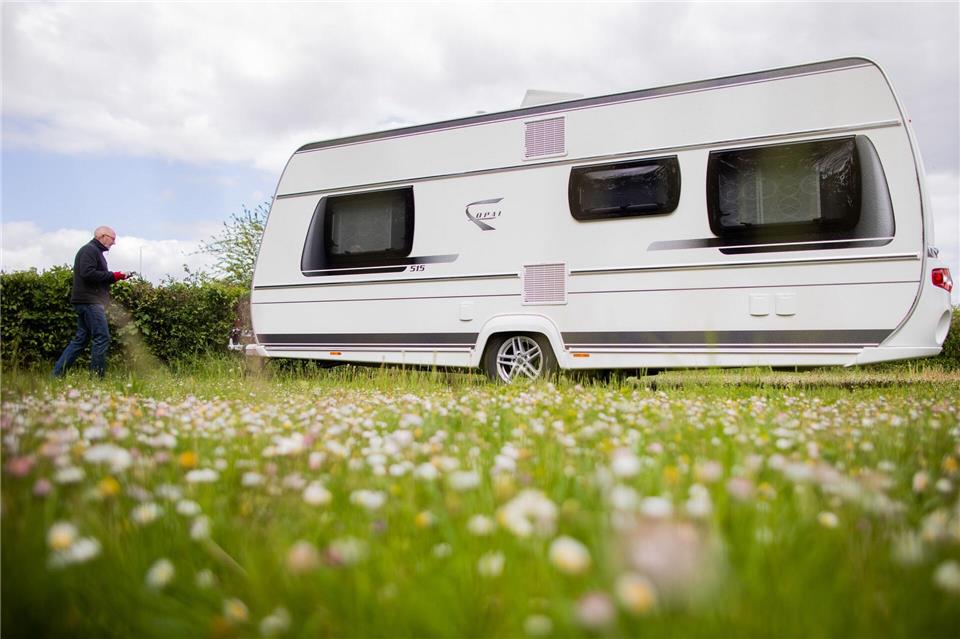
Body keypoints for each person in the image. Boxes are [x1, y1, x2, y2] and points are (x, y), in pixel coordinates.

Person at [52, 226, 128, 378]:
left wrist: (117, 277)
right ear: (102, 236)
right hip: (89, 301)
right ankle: (97, 378)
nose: (114, 243)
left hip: (86, 300)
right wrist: (114, 276)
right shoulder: (89, 250)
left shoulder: (94, 251)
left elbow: (94, 276)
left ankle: (57, 375)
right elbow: (87, 273)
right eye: (113, 239)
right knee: (102, 337)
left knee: (81, 339)